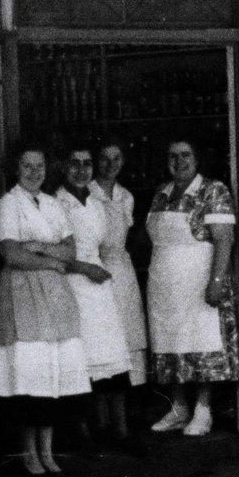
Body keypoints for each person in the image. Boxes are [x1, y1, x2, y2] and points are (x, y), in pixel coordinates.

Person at [0, 141, 91, 477]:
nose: (33, 173)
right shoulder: (8, 204)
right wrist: (52, 259)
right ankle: (28, 452)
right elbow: (12, 256)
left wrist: (39, 248)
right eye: (27, 166)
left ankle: (47, 449)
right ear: (16, 169)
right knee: (28, 375)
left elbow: (71, 251)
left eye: (39, 166)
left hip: (54, 297)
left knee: (52, 373)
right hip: (22, 294)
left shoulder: (52, 203)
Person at [146, 137, 239, 437]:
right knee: (171, 345)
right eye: (173, 156)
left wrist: (216, 283)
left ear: (198, 159)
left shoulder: (213, 190)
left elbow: (224, 239)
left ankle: (203, 410)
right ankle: (178, 408)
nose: (179, 161)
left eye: (186, 155)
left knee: (202, 346)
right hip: (164, 286)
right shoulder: (162, 192)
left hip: (199, 282)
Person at [55, 141, 140, 452]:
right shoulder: (57, 203)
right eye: (74, 163)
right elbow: (49, 251)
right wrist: (83, 268)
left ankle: (120, 431)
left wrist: (99, 269)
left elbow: (106, 242)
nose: (81, 169)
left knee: (114, 362)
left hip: (101, 286)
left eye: (86, 163)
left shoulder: (93, 201)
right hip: (73, 285)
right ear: (64, 168)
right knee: (83, 364)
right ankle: (85, 435)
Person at [90, 136, 148, 389]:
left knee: (127, 329)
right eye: (104, 158)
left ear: (123, 162)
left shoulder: (126, 196)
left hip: (122, 269)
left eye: (116, 159)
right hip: (95, 267)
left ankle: (127, 395)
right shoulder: (87, 193)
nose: (110, 164)